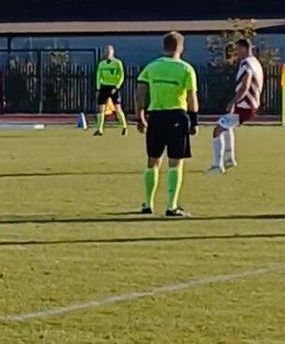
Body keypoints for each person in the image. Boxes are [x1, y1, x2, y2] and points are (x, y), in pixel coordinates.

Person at [135, 31, 199, 218]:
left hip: (155, 117)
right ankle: (171, 206)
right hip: (176, 117)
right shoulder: (186, 69)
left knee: (153, 160)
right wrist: (194, 121)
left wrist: (140, 116)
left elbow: (140, 93)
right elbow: (191, 96)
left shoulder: (151, 68)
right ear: (180, 47)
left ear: (164, 47)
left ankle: (148, 204)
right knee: (175, 162)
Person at [208, 38, 264, 174]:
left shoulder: (247, 64)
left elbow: (245, 85)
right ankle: (230, 159)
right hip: (250, 104)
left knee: (217, 130)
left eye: (238, 49)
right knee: (227, 127)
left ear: (244, 48)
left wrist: (234, 101)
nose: (236, 52)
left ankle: (217, 165)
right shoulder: (256, 63)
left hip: (246, 105)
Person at [94, 44, 128, 136]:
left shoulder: (117, 63)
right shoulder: (101, 64)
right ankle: (99, 129)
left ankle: (124, 127)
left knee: (117, 108)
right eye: (106, 51)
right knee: (101, 108)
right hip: (104, 87)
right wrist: (98, 88)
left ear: (113, 52)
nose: (108, 53)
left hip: (114, 87)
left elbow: (121, 76)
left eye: (109, 51)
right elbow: (98, 76)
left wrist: (117, 87)